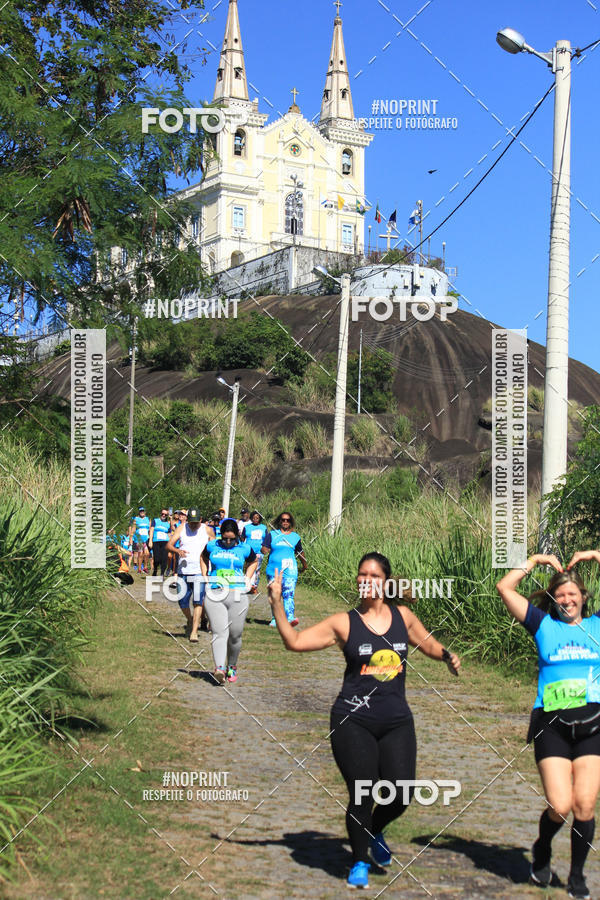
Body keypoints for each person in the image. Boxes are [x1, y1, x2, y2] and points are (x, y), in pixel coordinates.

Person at [268, 552, 460, 889]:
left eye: (373, 574)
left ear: (386, 581)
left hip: (397, 720)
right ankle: (359, 861)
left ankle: (373, 829)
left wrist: (445, 655)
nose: (366, 579)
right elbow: (294, 642)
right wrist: (276, 603)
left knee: (401, 793)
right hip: (352, 719)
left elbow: (425, 642)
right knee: (364, 791)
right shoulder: (344, 623)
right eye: (361, 574)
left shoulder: (403, 616)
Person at [496, 550, 600, 900]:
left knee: (584, 805)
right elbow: (505, 588)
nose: (567, 599)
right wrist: (535, 562)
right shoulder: (543, 624)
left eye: (573, 594)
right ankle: (542, 849)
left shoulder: (597, 625)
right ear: (554, 598)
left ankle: (576, 877)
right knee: (560, 805)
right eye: (561, 594)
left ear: (584, 597)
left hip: (593, 725)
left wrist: (594, 555)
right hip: (551, 725)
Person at [202, 518, 258, 684]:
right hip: (215, 592)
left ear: (237, 536)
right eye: (225, 538)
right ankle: (219, 668)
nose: (227, 542)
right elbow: (202, 558)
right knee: (219, 632)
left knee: (235, 634)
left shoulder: (244, 548)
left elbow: (254, 561)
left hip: (237, 594)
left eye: (231, 539)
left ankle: (231, 666)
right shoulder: (212, 546)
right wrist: (205, 577)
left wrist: (247, 578)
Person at [167, 507, 213, 642]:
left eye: (195, 522)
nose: (192, 525)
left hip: (200, 571)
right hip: (183, 570)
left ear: (200, 519)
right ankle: (191, 619)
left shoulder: (207, 530)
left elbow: (214, 548)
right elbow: (169, 545)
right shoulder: (181, 528)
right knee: (182, 601)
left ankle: (194, 631)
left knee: (198, 602)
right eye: (190, 521)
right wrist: (177, 550)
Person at [262, 512, 306, 627]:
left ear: (291, 522)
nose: (285, 522)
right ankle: (275, 619)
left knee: (288, 594)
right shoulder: (272, 534)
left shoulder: (295, 537)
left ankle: (290, 618)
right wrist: (264, 549)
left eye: (288, 520)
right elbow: (264, 548)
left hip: (290, 570)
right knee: (275, 595)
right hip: (273, 570)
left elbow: (300, 553)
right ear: (279, 521)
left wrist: (305, 566)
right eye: (283, 520)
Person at [244, 511, 268, 594]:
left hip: (259, 551)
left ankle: (254, 586)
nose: (255, 519)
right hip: (248, 551)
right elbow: (242, 539)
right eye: (253, 518)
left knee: (257, 569)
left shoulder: (263, 528)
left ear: (260, 519)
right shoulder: (247, 527)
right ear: (251, 518)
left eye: (257, 518)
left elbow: (266, 540)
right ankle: (247, 584)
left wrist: (265, 549)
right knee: (248, 568)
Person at [149, 507, 172, 577]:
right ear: (160, 514)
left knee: (164, 559)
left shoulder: (168, 523)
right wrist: (150, 540)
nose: (164, 515)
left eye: (165, 514)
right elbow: (151, 530)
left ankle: (162, 573)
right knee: (157, 558)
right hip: (156, 541)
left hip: (165, 542)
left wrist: (170, 543)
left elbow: (169, 533)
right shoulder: (155, 521)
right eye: (163, 514)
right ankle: (155, 570)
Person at [129, 506, 151, 574]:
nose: (142, 512)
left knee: (147, 554)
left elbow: (150, 529)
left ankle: (145, 567)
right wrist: (131, 538)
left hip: (146, 538)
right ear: (139, 512)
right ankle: (139, 569)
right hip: (139, 539)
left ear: (145, 512)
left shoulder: (148, 519)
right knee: (140, 554)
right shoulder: (136, 519)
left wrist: (150, 538)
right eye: (141, 511)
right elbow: (133, 529)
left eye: (143, 511)